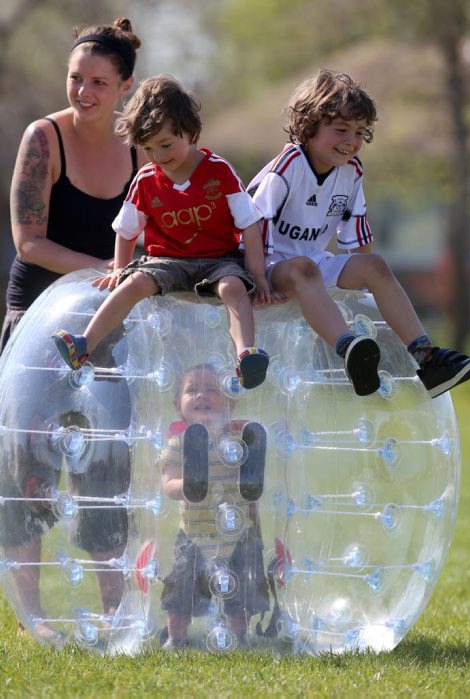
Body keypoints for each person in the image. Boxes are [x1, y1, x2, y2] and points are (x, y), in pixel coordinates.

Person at [0, 17, 146, 642]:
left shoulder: (144, 151)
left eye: (97, 82)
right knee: (29, 467)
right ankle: (37, 620)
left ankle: (114, 613)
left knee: (106, 468)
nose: (82, 91)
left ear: (124, 87)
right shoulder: (44, 138)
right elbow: (29, 243)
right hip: (35, 321)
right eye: (75, 79)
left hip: (107, 330)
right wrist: (110, 273)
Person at [248, 69, 470, 398]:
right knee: (305, 269)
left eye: (360, 132)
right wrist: (257, 280)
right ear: (309, 127)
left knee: (374, 264)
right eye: (341, 129)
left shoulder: (352, 170)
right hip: (269, 266)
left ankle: (427, 359)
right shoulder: (288, 165)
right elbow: (252, 224)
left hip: (314, 264)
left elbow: (357, 233)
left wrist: (368, 288)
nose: (352, 141)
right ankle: (351, 350)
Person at [52, 75, 285, 390]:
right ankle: (83, 344)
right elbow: (126, 228)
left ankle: (246, 356)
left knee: (233, 288)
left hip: (218, 259)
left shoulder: (220, 171)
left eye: (165, 145)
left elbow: (249, 224)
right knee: (134, 282)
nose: (159, 157)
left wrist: (258, 278)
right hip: (167, 260)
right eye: (148, 149)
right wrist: (120, 268)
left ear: (188, 131)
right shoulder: (146, 179)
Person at [159, 363, 269, 649]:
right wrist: (188, 486)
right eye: (191, 390)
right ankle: (176, 636)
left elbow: (250, 484)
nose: (201, 396)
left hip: (237, 531)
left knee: (242, 587)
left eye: (211, 390)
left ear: (230, 400)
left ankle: (240, 634)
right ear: (177, 404)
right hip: (194, 533)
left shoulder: (237, 442)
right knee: (181, 587)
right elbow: (168, 484)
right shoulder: (178, 442)